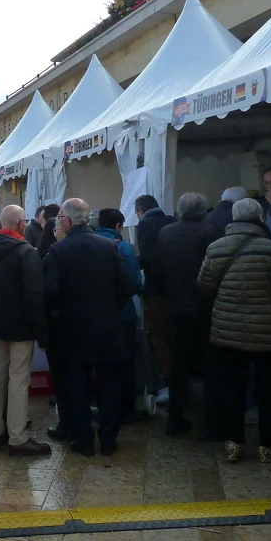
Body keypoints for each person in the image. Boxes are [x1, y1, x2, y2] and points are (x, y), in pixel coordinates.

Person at [198, 198, 271, 465]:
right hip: (267, 330)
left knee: (231, 387)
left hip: (226, 330)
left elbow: (204, 283)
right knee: (269, 390)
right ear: (260, 219)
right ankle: (268, 445)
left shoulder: (216, 247)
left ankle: (233, 443)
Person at [43, 199, 135, 457]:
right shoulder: (109, 247)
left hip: (72, 329)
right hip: (108, 326)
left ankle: (83, 439)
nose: (58, 221)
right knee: (109, 385)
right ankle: (108, 439)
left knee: (76, 386)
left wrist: (56, 311)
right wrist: (112, 307)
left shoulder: (59, 251)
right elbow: (127, 285)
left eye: (60, 217)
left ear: (68, 221)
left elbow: (49, 290)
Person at [0, 205, 50, 457]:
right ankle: (17, 436)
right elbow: (34, 296)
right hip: (21, 327)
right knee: (18, 378)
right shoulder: (26, 252)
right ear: (21, 224)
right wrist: (42, 333)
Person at [148, 193, 223, 438]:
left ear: (179, 210)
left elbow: (156, 272)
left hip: (175, 309)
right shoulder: (211, 232)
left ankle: (175, 418)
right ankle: (212, 423)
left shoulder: (166, 233)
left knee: (178, 365)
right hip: (206, 309)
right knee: (211, 367)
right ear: (202, 211)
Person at [94, 208, 144, 425]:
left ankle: (103, 405)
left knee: (100, 364)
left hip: (94, 316)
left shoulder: (90, 245)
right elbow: (134, 282)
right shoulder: (123, 247)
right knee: (125, 363)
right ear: (118, 226)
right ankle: (126, 408)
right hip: (122, 315)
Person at [135, 194, 174, 390]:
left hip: (156, 288)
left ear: (139, 211)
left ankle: (166, 378)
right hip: (176, 289)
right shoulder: (171, 220)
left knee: (157, 333)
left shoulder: (144, 224)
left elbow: (148, 257)